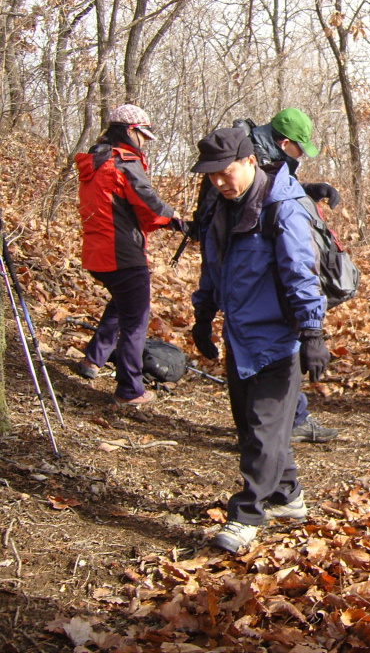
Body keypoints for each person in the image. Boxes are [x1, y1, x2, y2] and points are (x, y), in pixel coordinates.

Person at [190, 127, 328, 553]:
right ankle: (289, 498)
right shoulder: (221, 205)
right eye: (210, 174)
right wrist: (202, 315)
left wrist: (312, 332)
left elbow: (301, 272)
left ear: (250, 161)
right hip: (239, 335)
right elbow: (214, 266)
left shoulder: (283, 209)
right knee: (252, 428)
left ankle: (246, 514)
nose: (217, 181)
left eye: (224, 172)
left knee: (263, 431)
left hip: (279, 340)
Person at [192, 108, 339, 444]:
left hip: (253, 305)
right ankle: (280, 434)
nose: (302, 155)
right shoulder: (239, 168)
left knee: (263, 426)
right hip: (254, 304)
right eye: (300, 149)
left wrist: (310, 189)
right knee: (261, 427)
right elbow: (221, 258)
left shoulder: (263, 169)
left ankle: (284, 432)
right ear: (284, 143)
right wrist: (312, 329)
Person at [75, 104, 182, 406]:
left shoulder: (96, 160)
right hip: (121, 253)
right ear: (130, 131)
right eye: (143, 135)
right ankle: (129, 390)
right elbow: (147, 205)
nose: (145, 142)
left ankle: (92, 360)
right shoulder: (122, 163)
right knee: (136, 320)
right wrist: (174, 219)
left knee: (122, 305)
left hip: (97, 251)